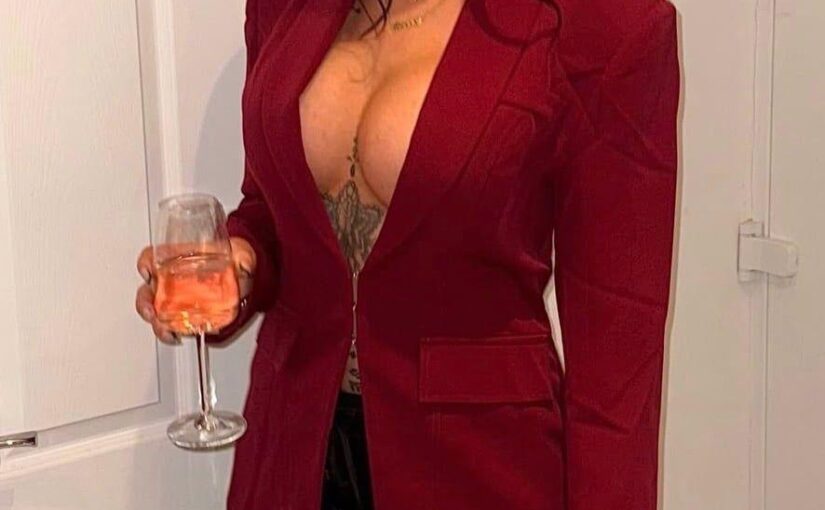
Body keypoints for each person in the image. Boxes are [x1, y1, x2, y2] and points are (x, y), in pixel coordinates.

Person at [136, 0, 681, 508]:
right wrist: (241, 266)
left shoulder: (602, 24)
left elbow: (617, 364)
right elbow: (271, 210)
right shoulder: (283, 8)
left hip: (476, 467)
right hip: (288, 452)